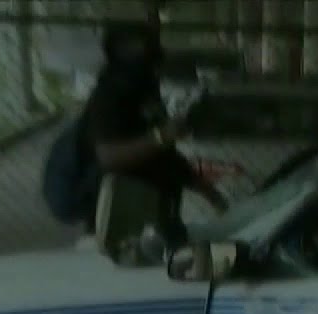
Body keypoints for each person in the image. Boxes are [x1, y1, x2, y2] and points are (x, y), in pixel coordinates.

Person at [79, 20, 227, 276]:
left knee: (188, 269)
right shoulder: (110, 94)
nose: (154, 51)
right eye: (143, 45)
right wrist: (161, 136)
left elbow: (163, 155)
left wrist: (206, 189)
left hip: (159, 220)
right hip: (124, 225)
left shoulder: (143, 89)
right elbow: (109, 156)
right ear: (120, 49)